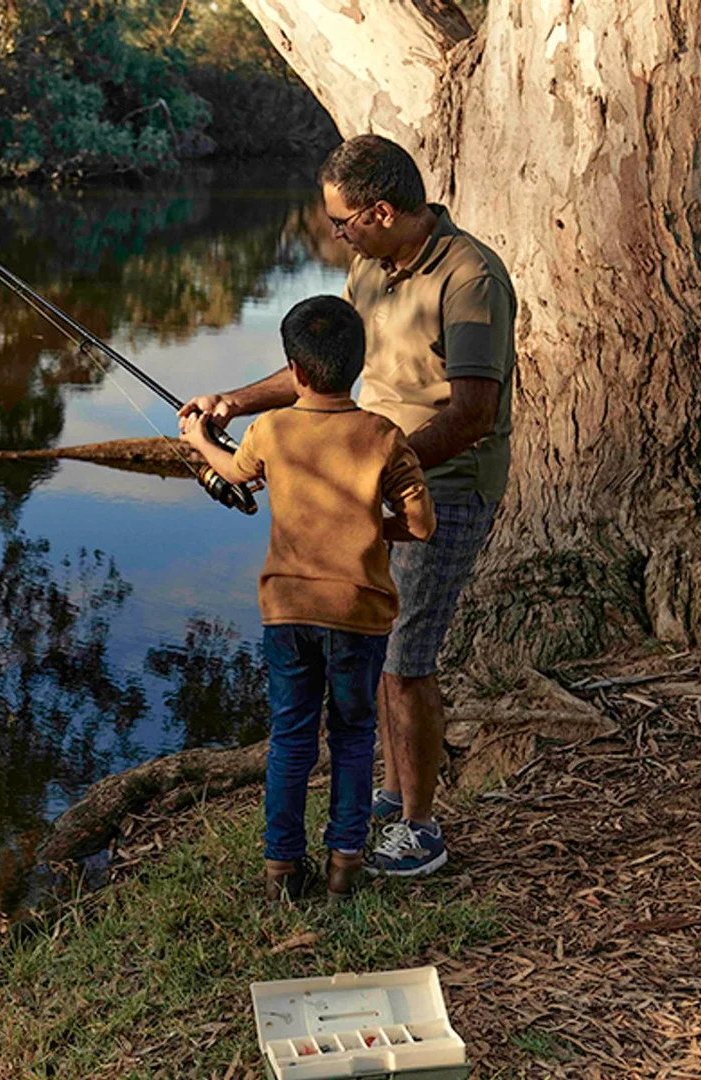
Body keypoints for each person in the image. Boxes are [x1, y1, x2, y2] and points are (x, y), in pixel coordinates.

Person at [179, 135, 516, 878]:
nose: (336, 235)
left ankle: (421, 828)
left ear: (384, 210)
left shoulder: (470, 278)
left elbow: (473, 414)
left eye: (343, 222)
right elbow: (320, 375)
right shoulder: (371, 267)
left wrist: (357, 473)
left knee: (405, 660)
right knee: (374, 649)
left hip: (442, 487)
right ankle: (391, 799)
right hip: (369, 481)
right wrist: (233, 401)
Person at [179, 295, 435, 903]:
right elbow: (422, 525)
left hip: (288, 612)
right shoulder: (383, 435)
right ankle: (344, 862)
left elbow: (235, 473)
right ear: (359, 363)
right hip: (360, 613)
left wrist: (197, 439)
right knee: (351, 735)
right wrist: (374, 524)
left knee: (292, 736)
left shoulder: (270, 428)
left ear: (294, 370)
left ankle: (281, 870)